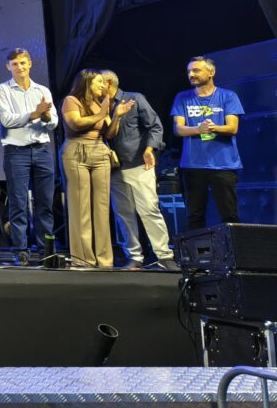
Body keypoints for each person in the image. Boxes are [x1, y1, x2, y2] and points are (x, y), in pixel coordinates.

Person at [100, 70, 176, 270]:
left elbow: (155, 127)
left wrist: (150, 150)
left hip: (139, 164)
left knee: (149, 209)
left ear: (109, 83)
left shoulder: (134, 99)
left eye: (99, 82)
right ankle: (134, 256)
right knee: (123, 214)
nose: (96, 86)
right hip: (114, 169)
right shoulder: (99, 106)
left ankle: (164, 255)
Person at [0, 48, 59, 267]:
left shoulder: (42, 90)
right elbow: (7, 120)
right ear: (8, 67)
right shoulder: (3, 89)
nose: (19, 67)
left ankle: (45, 249)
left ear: (30, 63)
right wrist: (34, 114)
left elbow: (53, 123)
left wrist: (46, 115)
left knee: (45, 203)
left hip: (42, 150)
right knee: (18, 202)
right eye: (15, 64)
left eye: (23, 63)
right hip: (16, 151)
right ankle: (21, 250)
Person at [172, 56, 244, 230]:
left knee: (229, 215)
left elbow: (233, 127)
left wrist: (213, 128)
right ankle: (198, 249)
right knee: (194, 216)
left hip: (223, 164)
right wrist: (199, 129)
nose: (191, 74)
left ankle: (234, 248)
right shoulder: (182, 97)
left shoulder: (228, 96)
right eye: (189, 71)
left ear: (211, 72)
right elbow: (178, 129)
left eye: (196, 70)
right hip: (193, 165)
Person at [60, 69, 116, 269]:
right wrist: (101, 114)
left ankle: (105, 260)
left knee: (102, 207)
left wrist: (116, 115)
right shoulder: (71, 100)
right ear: (87, 83)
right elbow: (75, 123)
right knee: (80, 207)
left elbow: (110, 133)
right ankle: (84, 259)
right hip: (77, 150)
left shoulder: (100, 104)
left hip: (100, 150)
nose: (102, 85)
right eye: (99, 81)